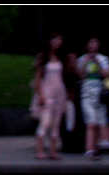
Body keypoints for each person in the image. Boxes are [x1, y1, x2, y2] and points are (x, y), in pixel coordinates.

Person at [33, 32, 68, 160]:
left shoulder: (61, 58)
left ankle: (53, 151)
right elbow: (37, 78)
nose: (57, 42)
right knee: (45, 121)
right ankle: (40, 149)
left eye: (59, 40)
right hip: (47, 92)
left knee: (56, 122)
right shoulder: (43, 57)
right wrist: (40, 94)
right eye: (55, 39)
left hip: (59, 92)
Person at [76, 37, 109, 159]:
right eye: (91, 43)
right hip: (86, 93)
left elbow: (106, 74)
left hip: (99, 93)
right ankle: (89, 149)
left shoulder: (103, 59)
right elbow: (80, 75)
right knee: (90, 122)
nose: (93, 45)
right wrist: (86, 61)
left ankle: (96, 148)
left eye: (95, 43)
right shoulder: (82, 59)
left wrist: (97, 62)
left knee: (98, 122)